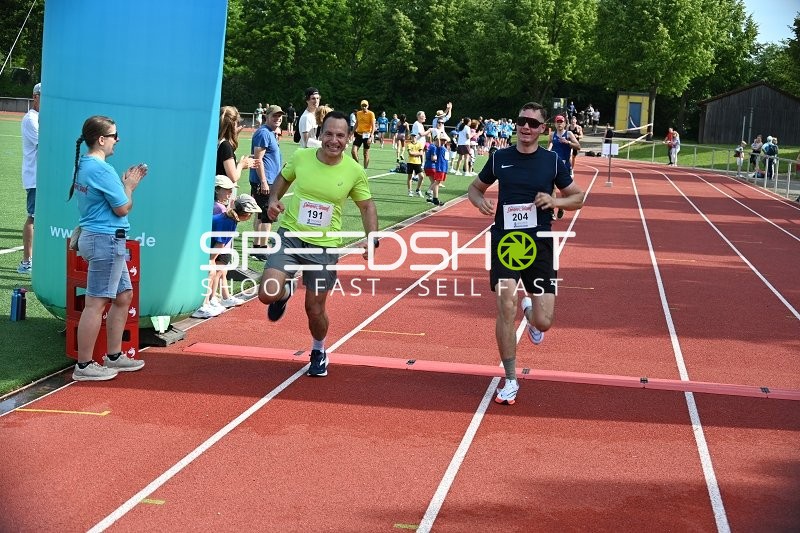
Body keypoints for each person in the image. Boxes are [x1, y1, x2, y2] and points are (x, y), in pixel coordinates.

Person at [467, 101, 585, 405]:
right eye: (522, 121)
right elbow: (474, 188)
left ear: (543, 129)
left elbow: (578, 197)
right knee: (505, 303)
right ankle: (510, 379)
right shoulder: (499, 157)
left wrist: (555, 202)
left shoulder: (552, 162)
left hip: (540, 243)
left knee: (545, 321)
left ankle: (531, 313)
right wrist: (479, 201)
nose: (526, 127)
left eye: (533, 124)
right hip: (505, 241)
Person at [258, 111, 378, 377]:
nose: (334, 140)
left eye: (340, 135)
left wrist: (372, 238)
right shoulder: (301, 157)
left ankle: (318, 350)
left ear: (349, 138)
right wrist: (274, 199)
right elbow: (283, 178)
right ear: (320, 134)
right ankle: (284, 292)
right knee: (267, 293)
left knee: (314, 308)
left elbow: (367, 206)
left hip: (324, 246)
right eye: (329, 134)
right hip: (291, 235)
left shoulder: (354, 171)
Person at [68, 115, 147, 381]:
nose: (118, 139)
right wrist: (129, 187)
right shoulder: (102, 170)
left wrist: (123, 187)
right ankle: (84, 365)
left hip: (102, 238)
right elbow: (122, 207)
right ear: (101, 140)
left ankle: (113, 356)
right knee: (96, 302)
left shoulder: (85, 164)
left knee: (123, 295)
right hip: (106, 240)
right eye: (114, 135)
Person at [192, 194, 262, 319]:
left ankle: (207, 303)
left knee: (214, 272)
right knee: (211, 272)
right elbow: (219, 244)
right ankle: (201, 307)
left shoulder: (231, 219)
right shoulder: (228, 222)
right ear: (246, 213)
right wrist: (211, 260)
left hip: (205, 246)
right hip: (200, 246)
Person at [250, 105, 284, 251]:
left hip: (268, 180)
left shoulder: (270, 132)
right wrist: (263, 181)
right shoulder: (264, 133)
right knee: (267, 215)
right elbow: (258, 159)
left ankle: (258, 246)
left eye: (280, 116)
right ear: (267, 116)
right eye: (274, 115)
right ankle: (262, 248)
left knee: (260, 214)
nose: (278, 118)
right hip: (265, 181)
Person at [18, 83, 40, 275]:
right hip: (35, 177)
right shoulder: (31, 119)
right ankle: (27, 261)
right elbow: (45, 144)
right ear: (35, 97)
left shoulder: (42, 118)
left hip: (45, 177)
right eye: (43, 96)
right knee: (33, 217)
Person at [217, 106, 257, 187]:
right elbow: (233, 177)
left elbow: (221, 166)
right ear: (234, 124)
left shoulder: (217, 141)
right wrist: (241, 165)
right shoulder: (225, 145)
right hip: (222, 190)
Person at [351, 99, 376, 168]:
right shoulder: (358, 113)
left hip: (367, 135)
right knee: (353, 151)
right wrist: (352, 132)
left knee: (365, 153)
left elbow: (373, 126)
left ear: (368, 106)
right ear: (361, 106)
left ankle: (365, 169)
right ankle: (358, 166)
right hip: (359, 134)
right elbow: (356, 123)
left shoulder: (371, 114)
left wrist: (371, 136)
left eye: (365, 106)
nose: (364, 107)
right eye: (363, 106)